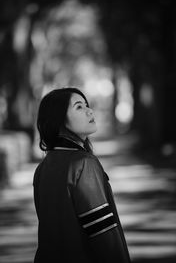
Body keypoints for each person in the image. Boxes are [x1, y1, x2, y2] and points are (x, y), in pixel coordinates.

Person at [33, 87, 131, 263]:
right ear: (59, 120)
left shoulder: (43, 168)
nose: (89, 110)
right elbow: (103, 233)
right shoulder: (83, 164)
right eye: (79, 107)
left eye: (87, 105)